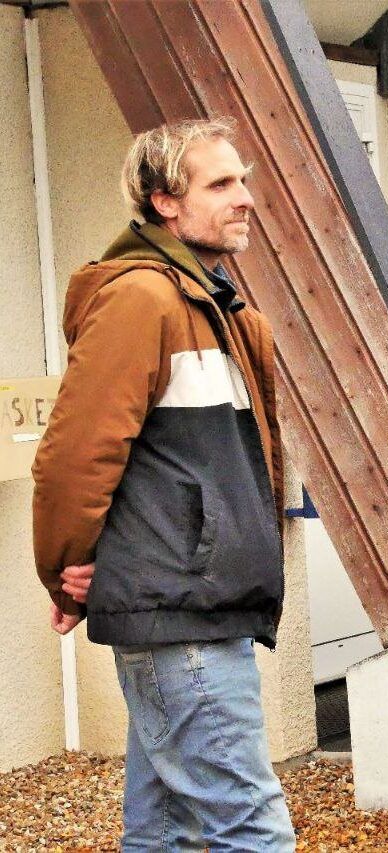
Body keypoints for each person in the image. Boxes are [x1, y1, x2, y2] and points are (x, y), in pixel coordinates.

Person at [31, 118, 295, 850]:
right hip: (178, 606)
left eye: (242, 179)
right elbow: (75, 455)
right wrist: (64, 571)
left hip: (196, 600)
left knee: (167, 828)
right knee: (252, 826)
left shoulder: (217, 306)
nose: (245, 197)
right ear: (163, 202)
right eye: (221, 183)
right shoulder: (142, 300)